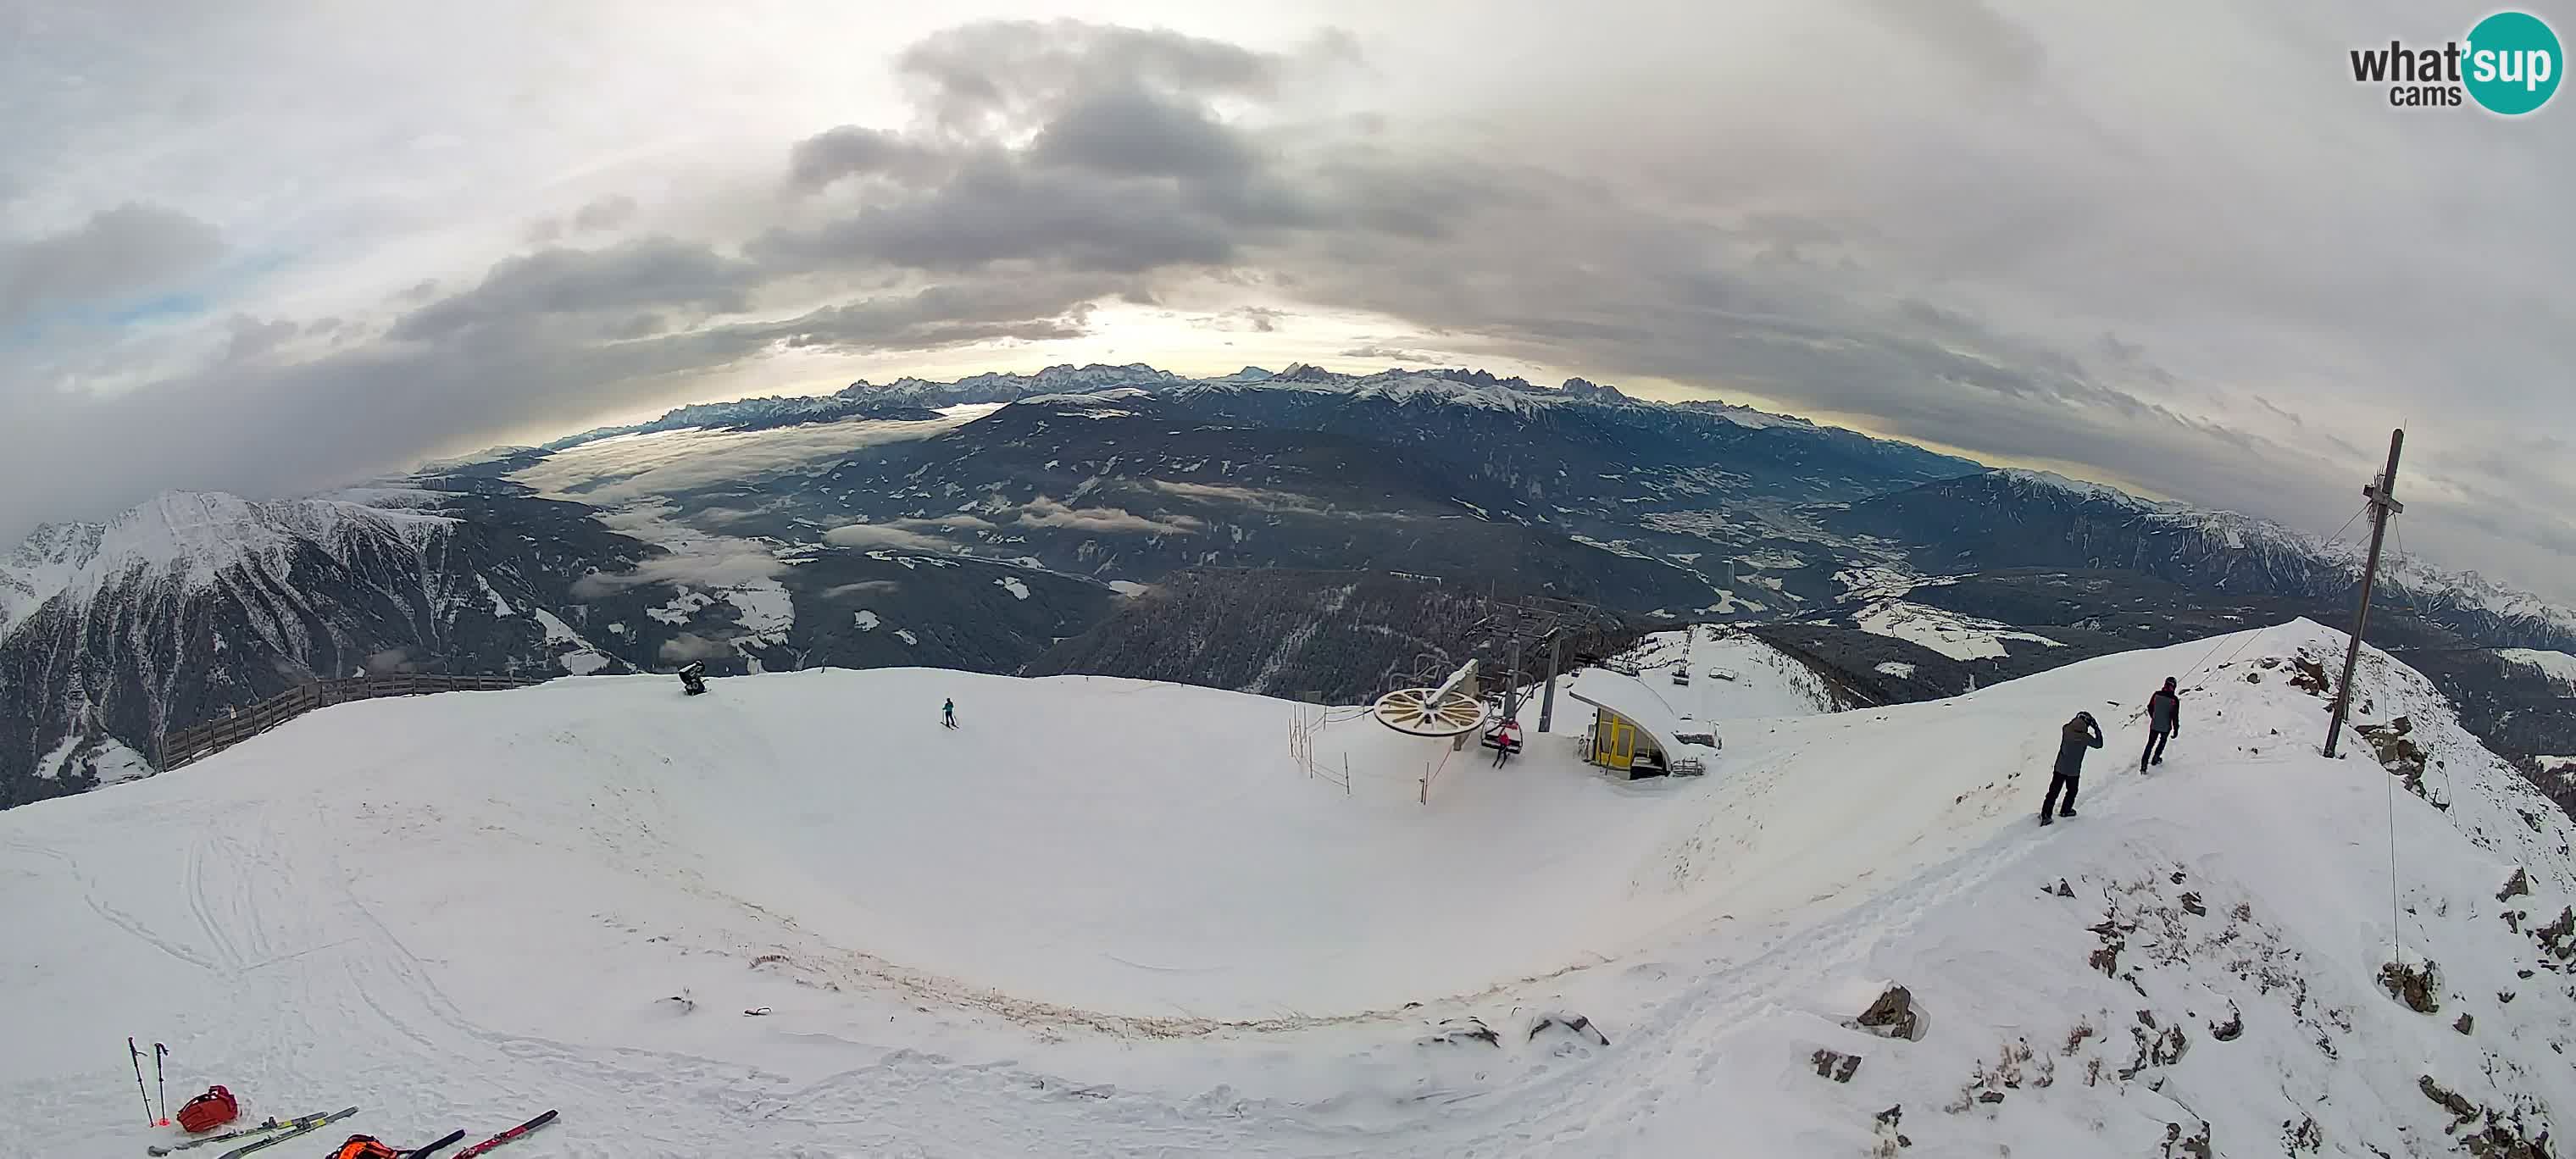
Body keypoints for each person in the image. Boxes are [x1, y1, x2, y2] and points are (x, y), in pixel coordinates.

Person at [2041, 711, 2102, 825]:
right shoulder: (2085, 737)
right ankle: (2066, 810)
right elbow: (2099, 744)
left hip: (2060, 766)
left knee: (2053, 792)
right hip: (2073, 771)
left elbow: (2070, 725)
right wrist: (2096, 729)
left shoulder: (2066, 729)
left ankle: (2046, 815)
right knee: (2072, 791)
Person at [2142, 677, 2181, 771]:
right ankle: (2156, 758)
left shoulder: (2156, 695)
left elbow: (2150, 707)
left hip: (2155, 724)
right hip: (2166, 726)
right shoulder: (2174, 700)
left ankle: (2143, 766)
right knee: (2162, 742)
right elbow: (2175, 717)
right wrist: (2176, 729)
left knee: (2150, 744)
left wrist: (2154, 717)